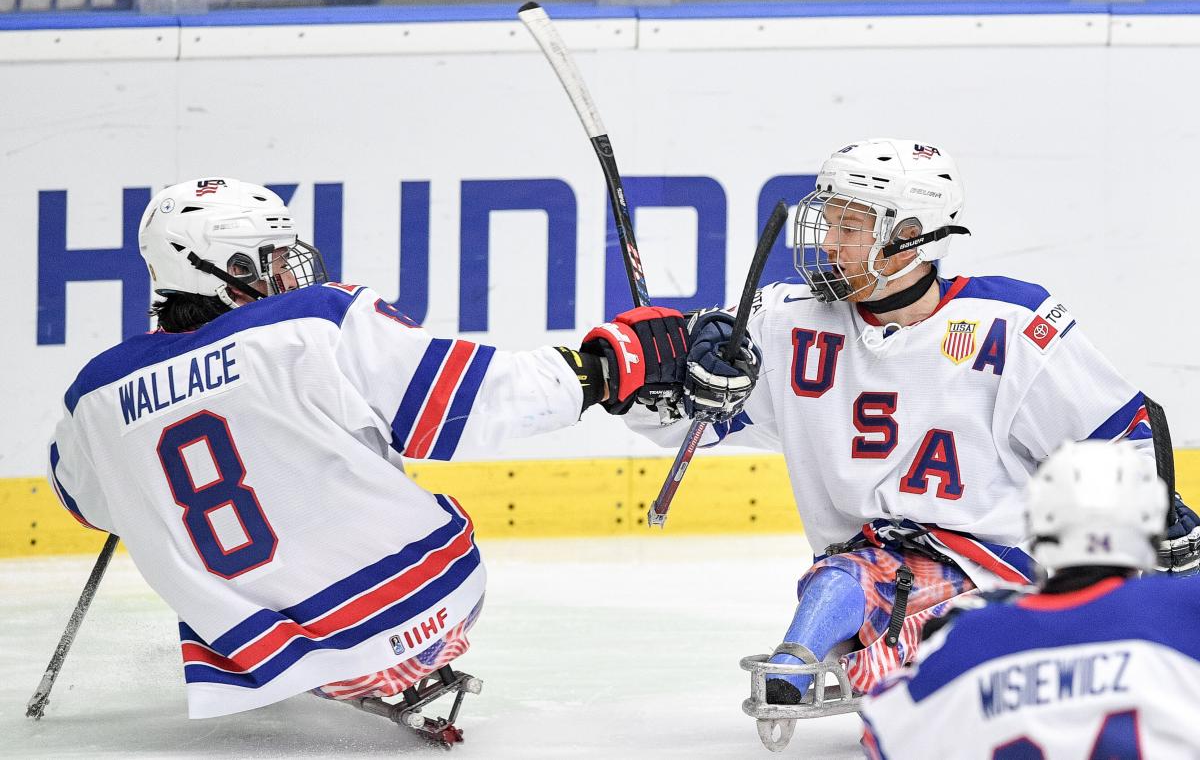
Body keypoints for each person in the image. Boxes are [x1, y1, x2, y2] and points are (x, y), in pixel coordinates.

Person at [47, 177, 689, 723]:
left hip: (252, 660)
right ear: (223, 268)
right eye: (265, 259)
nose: (284, 271)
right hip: (422, 618)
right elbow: (475, 402)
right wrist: (600, 367)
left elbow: (91, 508)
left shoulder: (92, 397)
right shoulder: (315, 322)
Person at [627, 138, 1200, 718]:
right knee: (851, 584)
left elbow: (1118, 434)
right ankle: (855, 660)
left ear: (909, 236)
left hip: (1004, 574)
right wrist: (681, 380)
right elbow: (676, 420)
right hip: (870, 570)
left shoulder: (1011, 324)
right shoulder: (787, 324)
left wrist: (1155, 506)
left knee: (869, 608)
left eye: (851, 226)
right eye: (828, 221)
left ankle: (847, 662)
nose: (829, 243)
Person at [861, 441, 1200, 759]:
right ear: (1149, 527)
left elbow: (880, 733)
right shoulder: (1184, 611)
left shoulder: (973, 639)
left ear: (1039, 526)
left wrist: (940, 652)